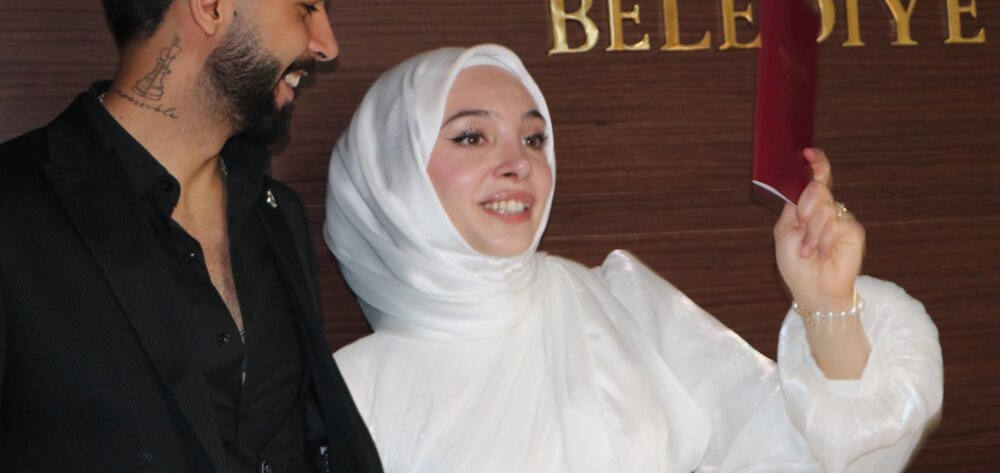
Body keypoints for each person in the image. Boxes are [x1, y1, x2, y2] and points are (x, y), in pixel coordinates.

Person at [324, 44, 943, 472]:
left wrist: (825, 302)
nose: (519, 163)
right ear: (392, 171)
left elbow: (805, 457)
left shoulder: (615, 303)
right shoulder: (347, 395)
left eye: (534, 138)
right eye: (471, 136)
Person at [0, 0, 383, 471]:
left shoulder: (275, 213)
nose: (326, 44)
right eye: (307, 5)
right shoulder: (14, 214)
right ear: (211, 0)